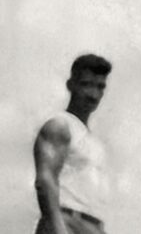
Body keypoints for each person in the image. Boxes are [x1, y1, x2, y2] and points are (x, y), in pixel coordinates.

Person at [33, 54, 112, 234]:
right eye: (86, 84)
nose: (93, 94)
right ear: (71, 85)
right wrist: (58, 227)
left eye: (100, 87)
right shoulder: (60, 125)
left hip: (92, 226)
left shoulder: (93, 141)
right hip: (66, 222)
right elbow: (46, 180)